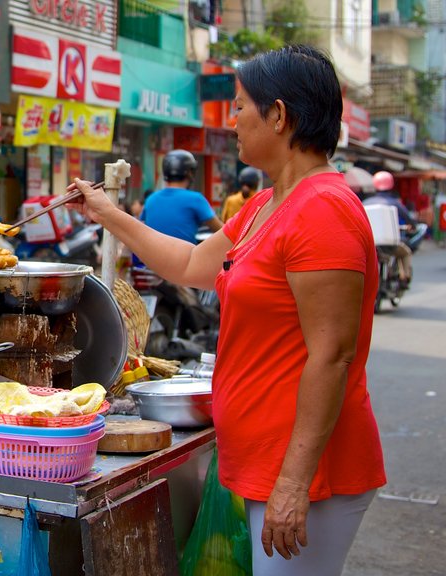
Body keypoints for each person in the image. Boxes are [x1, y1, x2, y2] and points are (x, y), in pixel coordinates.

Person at [69, 45, 385, 575]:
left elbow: (332, 356)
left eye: (240, 106)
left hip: (308, 469)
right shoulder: (266, 204)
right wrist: (107, 212)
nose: (231, 119)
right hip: (265, 458)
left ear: (279, 115)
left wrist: (292, 481)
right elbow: (191, 263)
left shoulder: (323, 209)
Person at [141, 149, 223, 244]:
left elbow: (142, 226)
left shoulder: (151, 199)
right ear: (189, 173)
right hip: (185, 257)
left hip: (151, 257)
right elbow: (221, 231)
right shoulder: (196, 199)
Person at [363, 170, 415, 283]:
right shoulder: (395, 203)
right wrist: (413, 225)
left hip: (370, 244)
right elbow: (409, 219)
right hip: (390, 244)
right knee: (406, 253)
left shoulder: (366, 202)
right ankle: (404, 278)